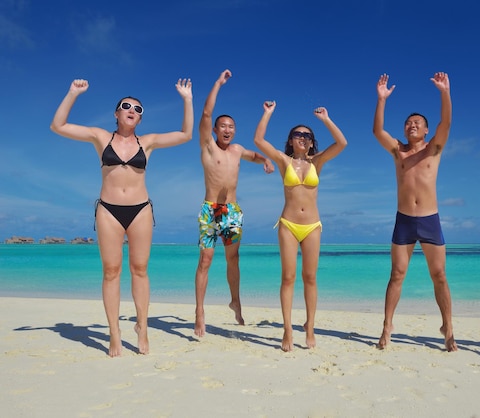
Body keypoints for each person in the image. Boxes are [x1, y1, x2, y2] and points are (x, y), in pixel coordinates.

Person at [50, 78, 194, 357]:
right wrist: (72, 93)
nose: (131, 110)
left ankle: (142, 327)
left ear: (140, 118)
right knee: (111, 271)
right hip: (108, 210)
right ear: (116, 114)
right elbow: (58, 126)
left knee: (140, 270)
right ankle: (114, 334)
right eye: (125, 106)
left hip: (140, 210)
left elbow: (186, 134)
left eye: (137, 109)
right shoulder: (100, 137)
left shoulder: (148, 142)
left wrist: (187, 99)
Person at [373, 72, 457, 352]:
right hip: (404, 220)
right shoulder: (399, 151)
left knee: (440, 276)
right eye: (408, 123)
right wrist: (381, 99)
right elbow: (377, 132)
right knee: (397, 274)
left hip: (430, 220)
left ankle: (448, 327)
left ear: (425, 130)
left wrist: (444, 92)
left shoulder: (434, 148)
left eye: (417, 123)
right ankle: (387, 326)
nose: (411, 125)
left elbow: (446, 122)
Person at [253, 101, 347, 352]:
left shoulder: (317, 162)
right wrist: (268, 113)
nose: (303, 138)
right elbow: (259, 140)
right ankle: (286, 330)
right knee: (288, 277)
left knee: (310, 278)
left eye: (307, 135)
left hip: (312, 226)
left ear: (312, 142)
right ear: (291, 140)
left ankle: (310, 327)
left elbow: (342, 143)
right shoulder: (284, 162)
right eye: (298, 134)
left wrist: (326, 120)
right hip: (288, 224)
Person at [194, 70, 274, 337]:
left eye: (231, 126)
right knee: (205, 260)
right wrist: (218, 83)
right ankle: (199, 311)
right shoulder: (208, 146)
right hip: (210, 211)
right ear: (215, 130)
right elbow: (205, 114)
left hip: (231, 212)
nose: (227, 130)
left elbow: (253, 155)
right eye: (223, 126)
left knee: (233, 259)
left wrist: (265, 160)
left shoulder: (237, 150)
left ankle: (235, 300)